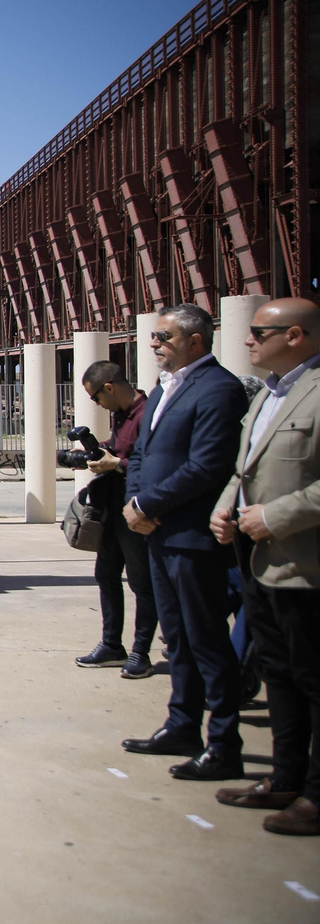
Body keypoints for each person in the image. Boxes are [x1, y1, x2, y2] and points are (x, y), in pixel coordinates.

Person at [121, 304, 248, 781]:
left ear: (196, 341)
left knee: (207, 640)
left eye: (164, 337)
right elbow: (141, 455)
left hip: (192, 537)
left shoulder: (219, 389)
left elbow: (208, 466)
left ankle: (224, 744)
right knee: (177, 640)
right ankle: (181, 725)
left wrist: (149, 504)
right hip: (156, 533)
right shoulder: (163, 390)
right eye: (154, 336)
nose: (155, 344)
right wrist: (135, 504)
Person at [209, 298, 320, 835]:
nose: (247, 340)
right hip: (257, 562)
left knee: (312, 678)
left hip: (305, 566)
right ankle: (284, 779)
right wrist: (225, 507)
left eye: (258, 331)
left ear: (295, 335)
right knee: (277, 673)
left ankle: (316, 797)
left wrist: (274, 517)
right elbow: (243, 467)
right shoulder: (270, 395)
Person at [73, 361, 157, 678]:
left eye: (96, 397)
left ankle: (141, 651)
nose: (97, 404)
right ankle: (112, 645)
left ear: (108, 387)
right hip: (112, 508)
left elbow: (150, 462)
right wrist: (96, 456)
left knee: (141, 583)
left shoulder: (149, 414)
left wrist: (116, 464)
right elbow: (120, 451)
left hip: (134, 509)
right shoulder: (121, 415)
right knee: (106, 575)